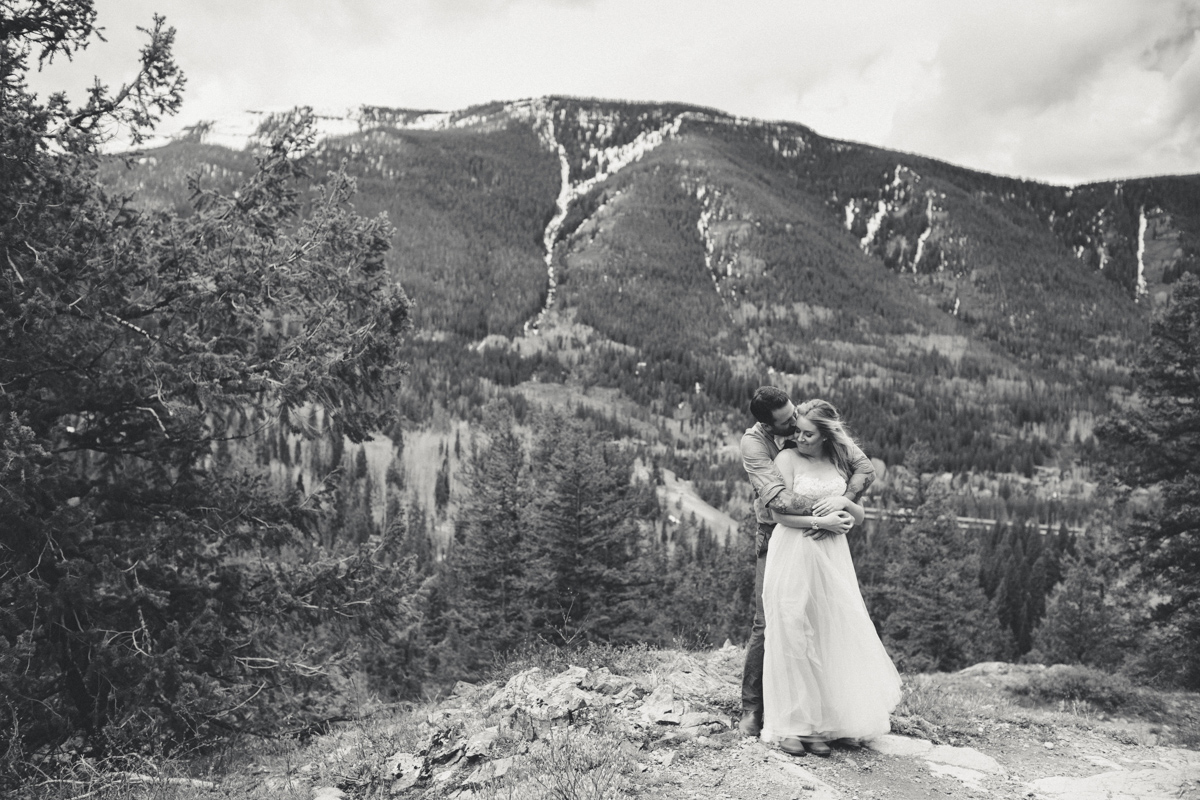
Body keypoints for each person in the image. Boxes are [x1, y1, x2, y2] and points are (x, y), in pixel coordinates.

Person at [760, 399, 901, 756]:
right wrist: (820, 521)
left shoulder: (838, 462)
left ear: (825, 435)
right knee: (792, 630)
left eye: (808, 433)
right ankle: (789, 724)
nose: (800, 437)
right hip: (794, 548)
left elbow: (860, 515)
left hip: (832, 555)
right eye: (798, 431)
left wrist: (843, 505)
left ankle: (819, 725)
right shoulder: (786, 459)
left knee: (825, 630)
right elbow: (778, 513)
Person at [738, 387, 875, 740]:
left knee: (822, 619)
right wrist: (824, 514)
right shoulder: (755, 445)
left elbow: (863, 467)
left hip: (825, 542)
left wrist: (842, 502)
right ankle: (754, 708)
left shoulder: (812, 424)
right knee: (768, 621)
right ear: (769, 425)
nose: (794, 424)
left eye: (794, 412)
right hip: (776, 536)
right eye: (787, 422)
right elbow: (777, 500)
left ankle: (821, 712)